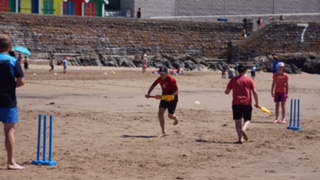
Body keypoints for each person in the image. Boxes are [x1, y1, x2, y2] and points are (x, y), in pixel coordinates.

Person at [0, 34, 25, 170]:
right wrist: (10, 86)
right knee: (9, 130)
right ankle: (10, 162)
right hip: (7, 99)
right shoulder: (12, 61)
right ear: (10, 47)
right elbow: (21, 81)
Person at [225, 64, 260, 144]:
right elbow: (255, 92)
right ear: (245, 71)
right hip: (247, 103)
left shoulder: (233, 80)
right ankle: (244, 129)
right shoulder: (249, 80)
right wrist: (257, 103)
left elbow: (227, 92)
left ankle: (240, 139)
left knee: (237, 121)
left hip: (236, 103)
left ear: (238, 71)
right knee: (247, 119)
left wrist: (227, 91)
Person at [145, 67, 179, 136]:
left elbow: (177, 90)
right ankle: (164, 131)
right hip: (164, 97)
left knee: (170, 116)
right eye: (160, 73)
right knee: (160, 113)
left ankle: (175, 118)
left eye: (163, 74)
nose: (162, 75)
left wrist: (170, 97)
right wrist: (148, 93)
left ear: (167, 73)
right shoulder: (159, 79)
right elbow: (153, 85)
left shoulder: (171, 80)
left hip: (173, 99)